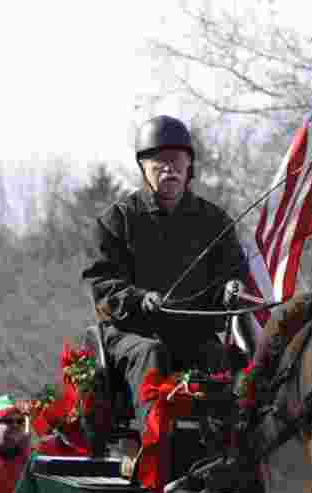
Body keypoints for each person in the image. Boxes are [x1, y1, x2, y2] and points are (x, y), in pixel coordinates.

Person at [82, 114, 252, 471]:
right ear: (143, 168)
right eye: (158, 163)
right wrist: (138, 299)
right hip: (130, 333)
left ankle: (224, 461)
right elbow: (102, 285)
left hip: (193, 332)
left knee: (219, 359)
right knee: (152, 353)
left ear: (189, 166)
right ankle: (154, 456)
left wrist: (231, 289)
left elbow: (234, 273)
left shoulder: (214, 221)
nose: (168, 170)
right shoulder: (117, 221)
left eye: (176, 162)